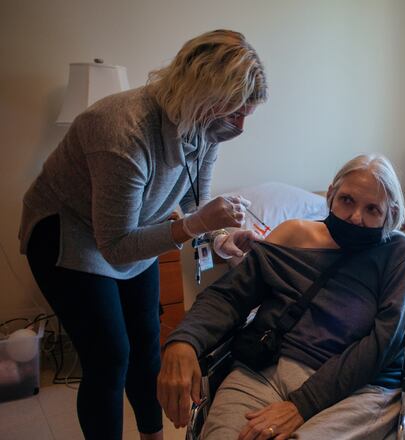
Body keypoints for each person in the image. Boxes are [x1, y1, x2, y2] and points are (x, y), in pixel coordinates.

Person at [19, 30, 267, 440]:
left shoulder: (206, 127)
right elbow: (116, 248)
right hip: (68, 232)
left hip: (131, 230)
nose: (240, 126)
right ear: (199, 94)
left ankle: (151, 436)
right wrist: (191, 227)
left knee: (147, 344)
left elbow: (193, 204)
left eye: (247, 114)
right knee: (109, 357)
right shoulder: (121, 130)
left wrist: (221, 236)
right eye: (234, 112)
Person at [158, 154, 405, 440]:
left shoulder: (397, 255)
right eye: (347, 200)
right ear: (330, 194)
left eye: (372, 209)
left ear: (390, 213)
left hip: (353, 388)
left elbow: (384, 341)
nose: (356, 217)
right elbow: (229, 296)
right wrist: (184, 340)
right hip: (263, 369)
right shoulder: (293, 234)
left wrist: (301, 405)